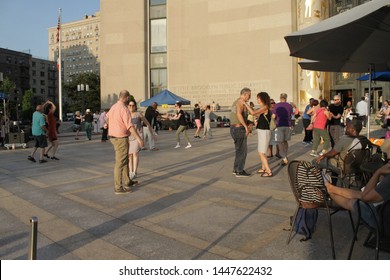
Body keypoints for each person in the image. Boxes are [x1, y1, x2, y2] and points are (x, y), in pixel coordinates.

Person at [325, 138, 390, 225]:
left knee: (354, 201)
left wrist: (378, 173)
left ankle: (330, 192)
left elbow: (365, 197)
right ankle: (331, 189)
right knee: (360, 194)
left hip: (382, 222)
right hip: (383, 212)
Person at [106, 90, 144, 195]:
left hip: (113, 137)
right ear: (127, 98)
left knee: (125, 160)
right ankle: (118, 187)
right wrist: (139, 139)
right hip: (121, 138)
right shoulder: (124, 109)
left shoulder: (113, 107)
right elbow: (130, 126)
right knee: (120, 162)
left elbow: (107, 117)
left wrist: (109, 125)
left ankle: (127, 181)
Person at [243, 92, 273, 177]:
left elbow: (253, 113)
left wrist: (245, 104)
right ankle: (263, 168)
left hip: (264, 132)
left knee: (261, 152)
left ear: (263, 98)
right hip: (262, 131)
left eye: (258, 98)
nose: (257, 100)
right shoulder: (264, 107)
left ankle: (268, 171)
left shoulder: (265, 107)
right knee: (262, 151)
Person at [128, 100, 153, 180]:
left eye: (133, 105)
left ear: (135, 106)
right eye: (130, 105)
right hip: (128, 137)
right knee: (129, 155)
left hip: (137, 136)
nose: (131, 107)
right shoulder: (126, 115)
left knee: (135, 153)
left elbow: (147, 123)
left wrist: (152, 134)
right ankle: (130, 171)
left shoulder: (138, 114)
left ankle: (134, 172)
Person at [230, 87, 251, 177]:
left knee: (238, 150)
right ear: (244, 94)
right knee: (242, 151)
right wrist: (246, 127)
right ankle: (239, 170)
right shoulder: (241, 102)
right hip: (239, 129)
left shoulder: (236, 102)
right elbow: (239, 114)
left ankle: (236, 169)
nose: (249, 97)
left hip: (233, 128)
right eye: (249, 95)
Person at [272, 93, 293, 166]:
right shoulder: (289, 106)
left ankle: (284, 158)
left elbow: (274, 116)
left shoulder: (276, 106)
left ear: (280, 98)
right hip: (288, 125)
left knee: (279, 141)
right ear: (286, 98)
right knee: (285, 141)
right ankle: (285, 156)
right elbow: (290, 115)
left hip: (279, 125)